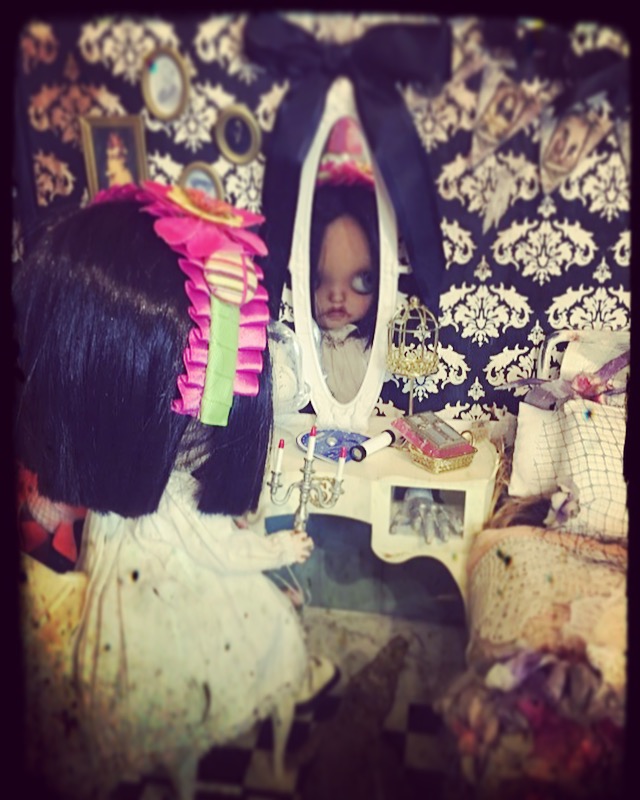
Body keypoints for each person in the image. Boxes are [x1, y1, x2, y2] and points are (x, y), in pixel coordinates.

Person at [12, 181, 336, 799]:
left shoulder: (145, 491)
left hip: (135, 596)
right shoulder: (169, 500)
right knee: (226, 667)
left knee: (173, 714)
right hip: (163, 613)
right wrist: (278, 551)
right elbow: (222, 550)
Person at [310, 117, 379, 404]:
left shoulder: (372, 350)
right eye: (318, 279)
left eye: (363, 279)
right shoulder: (304, 345)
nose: (337, 296)